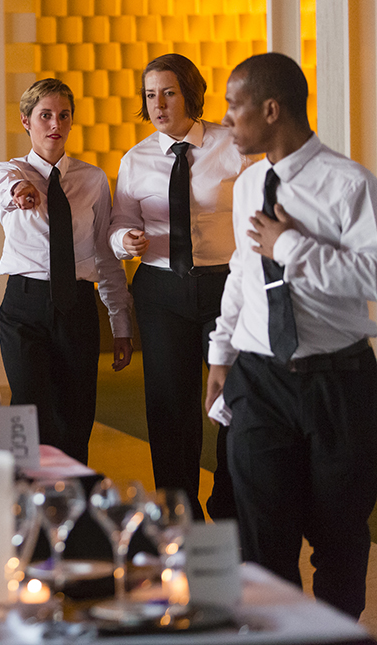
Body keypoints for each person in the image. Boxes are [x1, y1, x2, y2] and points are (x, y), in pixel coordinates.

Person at [205, 53, 377, 619]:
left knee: (340, 540)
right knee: (261, 539)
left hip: (339, 383)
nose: (226, 119)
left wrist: (292, 248)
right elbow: (242, 270)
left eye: (235, 106)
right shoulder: (248, 183)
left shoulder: (349, 183)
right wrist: (221, 352)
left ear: (271, 109)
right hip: (259, 380)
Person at [109, 54, 249, 519]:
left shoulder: (232, 146)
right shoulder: (136, 159)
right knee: (170, 407)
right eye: (151, 95)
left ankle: (229, 505)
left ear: (191, 94)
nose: (159, 104)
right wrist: (125, 240)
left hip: (226, 286)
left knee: (235, 399)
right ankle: (180, 513)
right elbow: (119, 223)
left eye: (168, 93)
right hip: (161, 291)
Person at [0, 78, 133, 465]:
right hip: (24, 307)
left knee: (76, 416)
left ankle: (72, 496)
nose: (56, 123)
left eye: (64, 115)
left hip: (77, 306)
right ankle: (20, 490)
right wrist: (20, 191)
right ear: (26, 121)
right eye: (45, 115)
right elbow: (6, 187)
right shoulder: (9, 171)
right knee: (27, 412)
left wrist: (120, 322)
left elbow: (105, 255)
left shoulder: (93, 179)